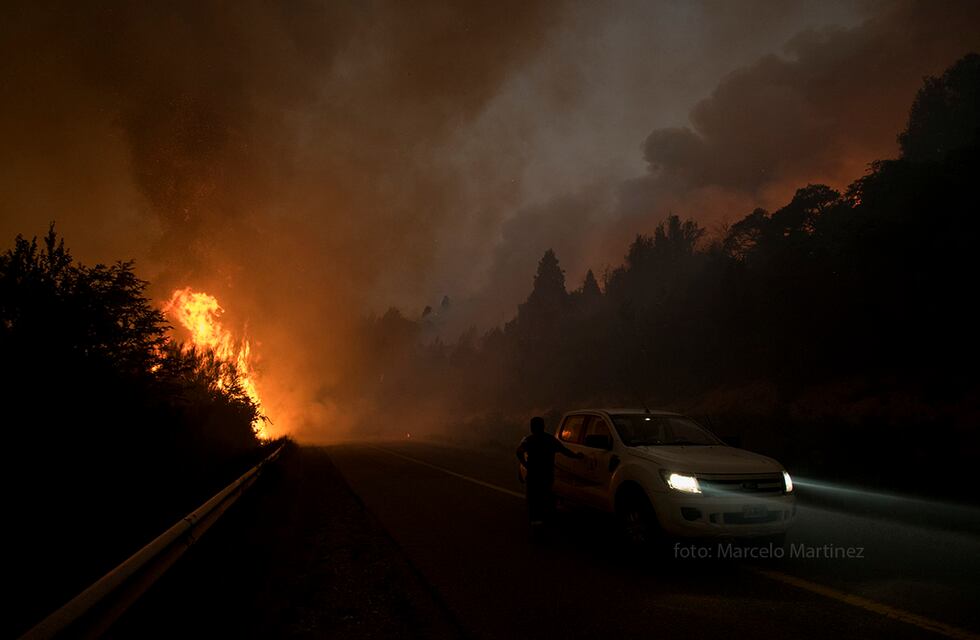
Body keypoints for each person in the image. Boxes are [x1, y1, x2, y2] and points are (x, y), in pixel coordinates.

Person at [516, 416, 584, 527]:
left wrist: (526, 465)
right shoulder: (550, 440)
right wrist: (576, 456)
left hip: (533, 475)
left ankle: (535, 522)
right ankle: (544, 520)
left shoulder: (528, 440)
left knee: (533, 499)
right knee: (545, 497)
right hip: (546, 475)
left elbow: (519, 452)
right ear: (543, 426)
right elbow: (564, 451)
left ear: (532, 428)